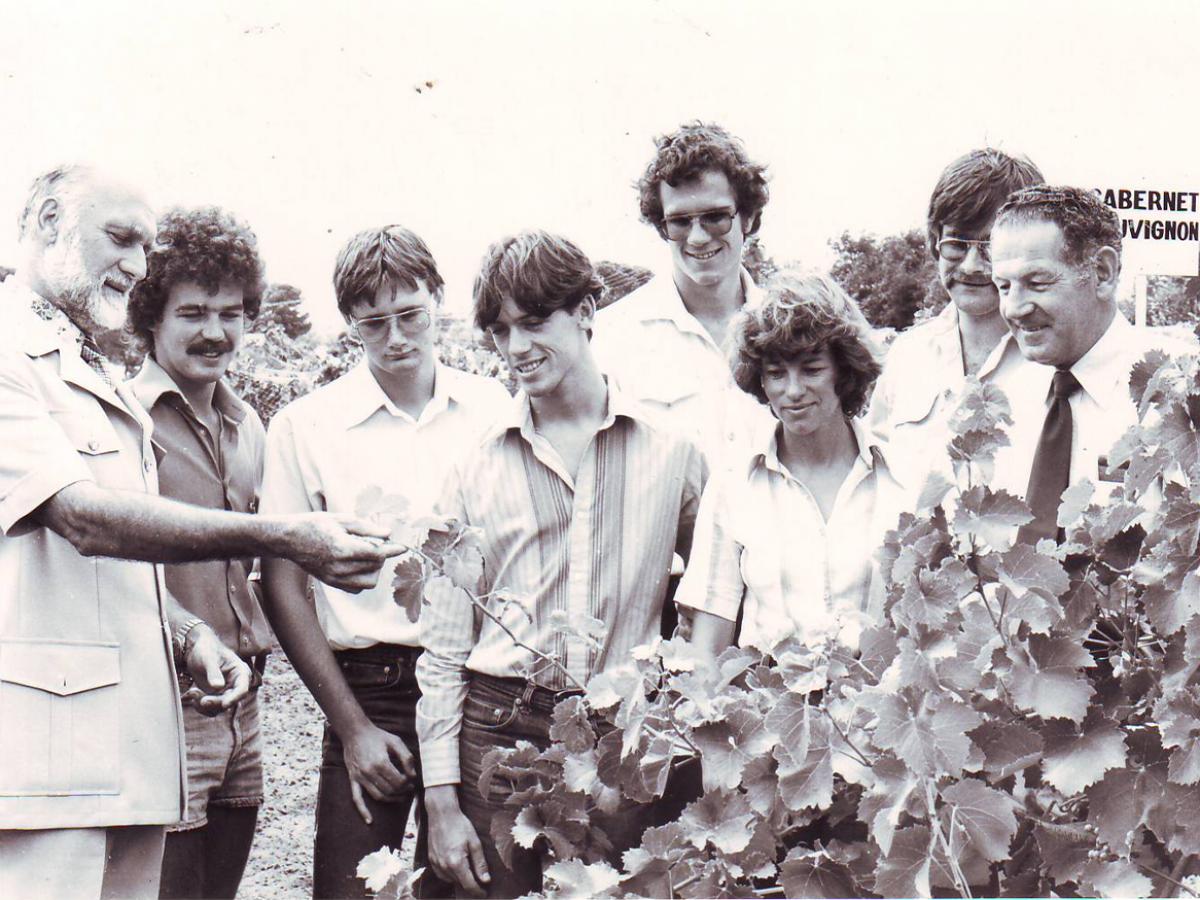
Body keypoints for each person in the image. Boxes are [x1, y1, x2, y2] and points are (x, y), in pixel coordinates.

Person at [0, 165, 397, 900]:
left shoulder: (85, 368)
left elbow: (119, 566)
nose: (134, 264)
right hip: (50, 750)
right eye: (119, 238)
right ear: (47, 221)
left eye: (144, 247)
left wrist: (186, 637)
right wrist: (281, 533)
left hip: (126, 733)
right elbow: (83, 516)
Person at [417, 231, 706, 898]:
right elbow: (441, 647)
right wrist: (439, 802)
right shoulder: (472, 468)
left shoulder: (674, 456)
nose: (517, 348)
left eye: (535, 321)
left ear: (586, 310)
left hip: (625, 731)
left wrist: (665, 703)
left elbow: (712, 603)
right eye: (500, 329)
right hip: (500, 731)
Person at [259, 225, 508, 899]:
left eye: (411, 317)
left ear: (438, 300)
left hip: (476, 683)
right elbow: (280, 583)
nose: (397, 339)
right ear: (349, 326)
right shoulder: (306, 427)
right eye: (374, 324)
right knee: (349, 887)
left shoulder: (496, 411)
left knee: (465, 882)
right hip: (369, 686)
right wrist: (352, 729)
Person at [125, 206, 271, 899]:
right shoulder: (127, 421)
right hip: (168, 697)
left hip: (246, 699)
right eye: (193, 312)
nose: (215, 331)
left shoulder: (249, 426)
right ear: (150, 316)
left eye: (231, 312)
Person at [678, 273, 908, 657]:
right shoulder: (733, 485)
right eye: (776, 373)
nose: (794, 390)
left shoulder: (904, 478)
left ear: (844, 370)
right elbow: (708, 649)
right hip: (771, 709)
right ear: (760, 381)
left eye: (812, 369)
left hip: (875, 708)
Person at [988, 185, 1190, 540]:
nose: (1014, 308)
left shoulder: (1181, 393)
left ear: (1102, 273)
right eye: (1003, 287)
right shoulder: (1006, 397)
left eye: (1037, 282)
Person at [592, 121, 773, 475]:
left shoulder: (790, 329)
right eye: (679, 222)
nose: (698, 237)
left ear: (748, 218)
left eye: (716, 217)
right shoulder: (611, 339)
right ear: (662, 226)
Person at [868, 148, 1044, 485]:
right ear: (935, 242)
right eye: (956, 245)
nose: (971, 265)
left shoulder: (1053, 361)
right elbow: (877, 480)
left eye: (989, 246)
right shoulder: (906, 357)